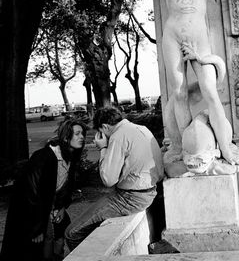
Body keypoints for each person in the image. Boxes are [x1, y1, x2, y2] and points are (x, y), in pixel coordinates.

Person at [142, 0, 239, 166]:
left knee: (210, 90)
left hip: (198, 36)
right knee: (179, 92)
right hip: (173, 35)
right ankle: (186, 144)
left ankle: (225, 145)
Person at [65, 106, 164, 251]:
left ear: (104, 127)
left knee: (72, 233)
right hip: (148, 192)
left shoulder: (118, 136)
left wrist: (103, 148)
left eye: (100, 131)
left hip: (130, 199)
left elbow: (108, 180)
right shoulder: (141, 128)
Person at [0, 118, 87, 261]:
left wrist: (62, 207)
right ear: (65, 137)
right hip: (33, 217)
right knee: (38, 251)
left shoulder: (70, 158)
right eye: (77, 134)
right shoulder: (43, 157)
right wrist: (36, 228)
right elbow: (30, 194)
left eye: (82, 133)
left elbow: (65, 189)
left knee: (59, 242)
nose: (82, 137)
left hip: (52, 212)